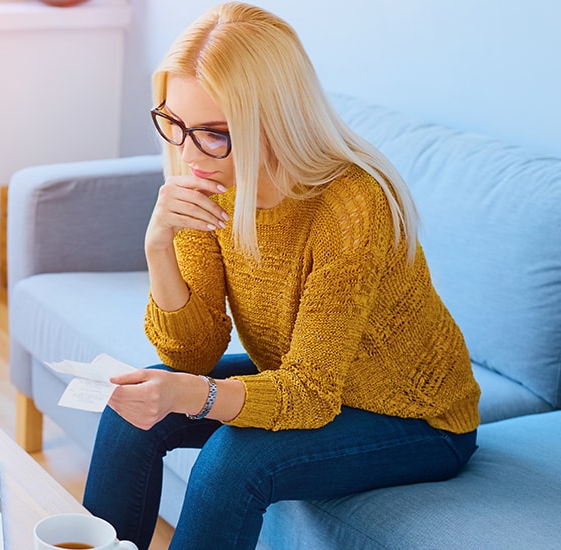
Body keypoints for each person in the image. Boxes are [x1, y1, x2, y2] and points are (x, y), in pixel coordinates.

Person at [81, 3, 481, 549]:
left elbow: (311, 394)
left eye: (214, 133)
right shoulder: (209, 178)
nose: (188, 153)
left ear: (272, 120)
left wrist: (195, 396)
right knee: (130, 409)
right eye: (174, 124)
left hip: (417, 418)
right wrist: (158, 245)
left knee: (233, 458)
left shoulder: (351, 205)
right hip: (312, 377)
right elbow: (190, 357)